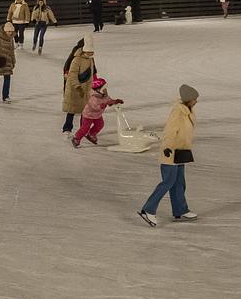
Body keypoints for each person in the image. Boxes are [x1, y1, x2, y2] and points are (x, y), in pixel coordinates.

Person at [137, 85, 199, 226]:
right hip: (170, 152)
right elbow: (170, 131)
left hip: (181, 152)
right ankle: (148, 210)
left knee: (179, 183)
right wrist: (167, 148)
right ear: (188, 99)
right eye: (194, 99)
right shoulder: (178, 113)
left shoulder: (187, 111)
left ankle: (180, 210)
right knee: (168, 182)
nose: (196, 101)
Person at [73, 77, 123, 147]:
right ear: (98, 89)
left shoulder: (104, 95)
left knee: (100, 125)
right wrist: (102, 105)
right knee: (85, 128)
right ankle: (77, 138)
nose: (105, 89)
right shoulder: (93, 97)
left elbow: (108, 100)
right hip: (88, 115)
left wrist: (115, 101)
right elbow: (94, 107)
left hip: (97, 115)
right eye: (103, 87)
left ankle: (91, 134)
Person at [62, 36, 96, 135]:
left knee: (85, 110)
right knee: (72, 109)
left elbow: (93, 72)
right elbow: (71, 73)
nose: (91, 53)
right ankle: (67, 129)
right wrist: (77, 87)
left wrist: (96, 86)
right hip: (75, 88)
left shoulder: (90, 59)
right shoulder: (76, 58)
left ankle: (83, 129)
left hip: (86, 88)